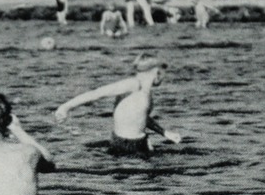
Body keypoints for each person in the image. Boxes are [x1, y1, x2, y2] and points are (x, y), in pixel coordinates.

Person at [53, 56, 181, 157]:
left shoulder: (146, 92)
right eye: (163, 74)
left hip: (140, 143)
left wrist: (164, 133)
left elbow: (140, 117)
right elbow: (97, 93)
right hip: (125, 145)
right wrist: (66, 107)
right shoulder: (133, 84)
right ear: (156, 71)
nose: (163, 78)